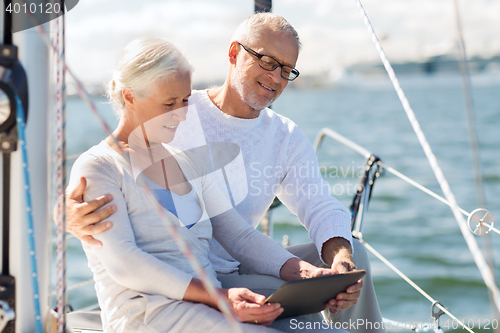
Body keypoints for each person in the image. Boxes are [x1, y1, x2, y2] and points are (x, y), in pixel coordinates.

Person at [68, 13, 385, 333]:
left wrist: (306, 273)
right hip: (159, 307)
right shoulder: (108, 161)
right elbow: (123, 256)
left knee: (329, 307)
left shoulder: (191, 158)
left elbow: (240, 234)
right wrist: (63, 215)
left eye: (286, 70)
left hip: (211, 290)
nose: (180, 114)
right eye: (267, 62)